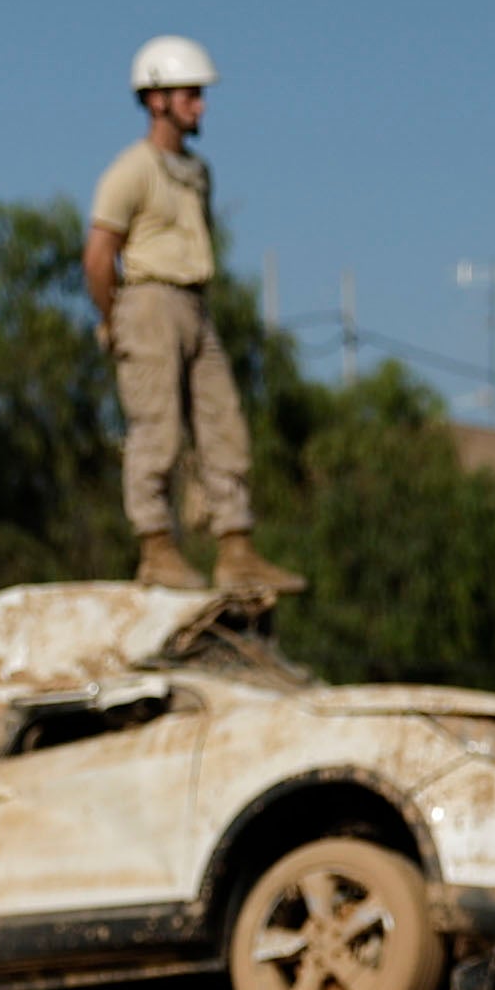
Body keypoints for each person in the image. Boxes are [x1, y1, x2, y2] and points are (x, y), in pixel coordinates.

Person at [85, 35, 295, 607]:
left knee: (223, 421)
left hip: (195, 303)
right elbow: (99, 256)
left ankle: (236, 548)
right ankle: (156, 547)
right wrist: (114, 320)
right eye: (189, 95)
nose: (200, 106)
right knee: (157, 429)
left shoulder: (196, 172)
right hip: (148, 301)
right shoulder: (131, 171)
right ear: (156, 99)